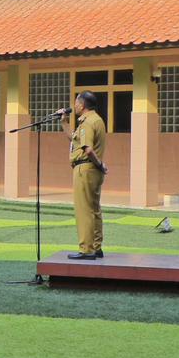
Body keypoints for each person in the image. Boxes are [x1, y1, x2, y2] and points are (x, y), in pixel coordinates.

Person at [68, 92, 108, 261]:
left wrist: (99, 164)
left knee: (84, 210)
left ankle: (86, 249)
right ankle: (96, 247)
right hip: (93, 171)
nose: (74, 105)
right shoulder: (96, 120)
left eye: (76, 102)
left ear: (82, 104)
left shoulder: (86, 123)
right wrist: (63, 121)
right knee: (94, 209)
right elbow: (74, 140)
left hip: (85, 168)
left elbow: (87, 149)